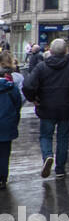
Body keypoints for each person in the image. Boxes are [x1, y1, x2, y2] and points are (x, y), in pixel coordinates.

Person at [23, 39, 69, 178]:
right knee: (63, 138)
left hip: (46, 107)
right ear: (66, 51)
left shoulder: (42, 67)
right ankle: (60, 168)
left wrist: (34, 99)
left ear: (51, 51)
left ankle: (48, 156)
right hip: (67, 107)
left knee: (45, 136)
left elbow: (28, 85)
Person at [0, 53, 24, 188]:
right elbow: (18, 103)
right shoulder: (11, 87)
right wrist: (14, 118)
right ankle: (3, 178)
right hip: (7, 123)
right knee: (4, 152)